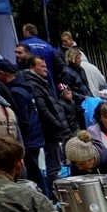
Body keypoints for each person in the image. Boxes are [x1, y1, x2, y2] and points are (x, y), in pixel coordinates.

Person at [22, 57, 71, 195]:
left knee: (55, 163)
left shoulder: (42, 82)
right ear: (32, 67)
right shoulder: (34, 84)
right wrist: (57, 124)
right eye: (42, 66)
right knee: (53, 165)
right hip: (49, 130)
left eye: (45, 66)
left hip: (53, 128)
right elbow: (43, 109)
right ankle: (55, 195)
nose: (45, 69)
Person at [18, 24, 58, 90]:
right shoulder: (48, 45)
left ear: (27, 32)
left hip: (32, 78)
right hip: (48, 77)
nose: (23, 34)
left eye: (23, 32)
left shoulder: (22, 45)